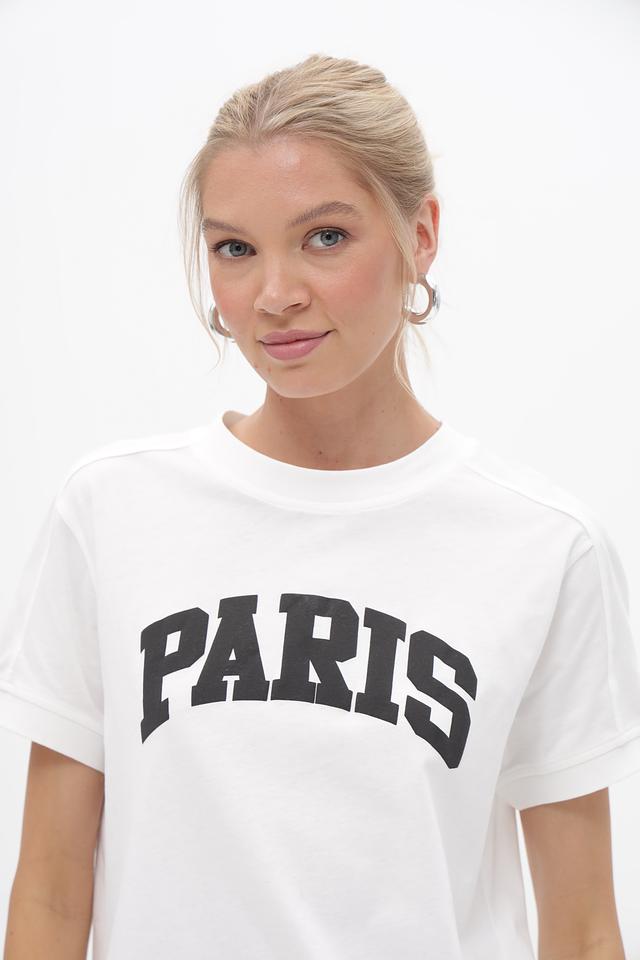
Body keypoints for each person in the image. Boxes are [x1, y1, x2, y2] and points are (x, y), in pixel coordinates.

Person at [2, 52, 639, 960]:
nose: (275, 296)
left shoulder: (543, 547)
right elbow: (50, 898)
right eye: (235, 249)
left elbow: (580, 931)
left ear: (421, 236)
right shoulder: (110, 512)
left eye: (325, 237)